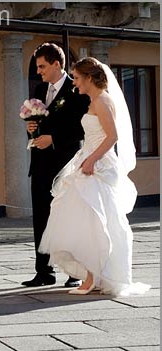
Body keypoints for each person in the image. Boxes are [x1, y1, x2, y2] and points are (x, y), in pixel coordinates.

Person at [38, 57, 150, 296]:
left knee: (97, 219)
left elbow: (112, 136)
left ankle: (93, 278)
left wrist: (91, 160)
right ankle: (92, 275)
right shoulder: (92, 101)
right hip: (87, 161)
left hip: (98, 166)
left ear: (89, 78)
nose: (74, 83)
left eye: (77, 78)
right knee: (85, 219)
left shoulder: (103, 101)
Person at [22, 43, 90, 287]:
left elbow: (82, 128)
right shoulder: (40, 89)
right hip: (40, 164)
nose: (38, 71)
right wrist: (32, 128)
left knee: (68, 217)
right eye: (37, 66)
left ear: (56, 64)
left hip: (66, 164)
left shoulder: (77, 89)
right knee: (41, 217)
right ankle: (44, 272)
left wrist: (53, 139)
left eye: (42, 66)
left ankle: (75, 272)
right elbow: (38, 121)